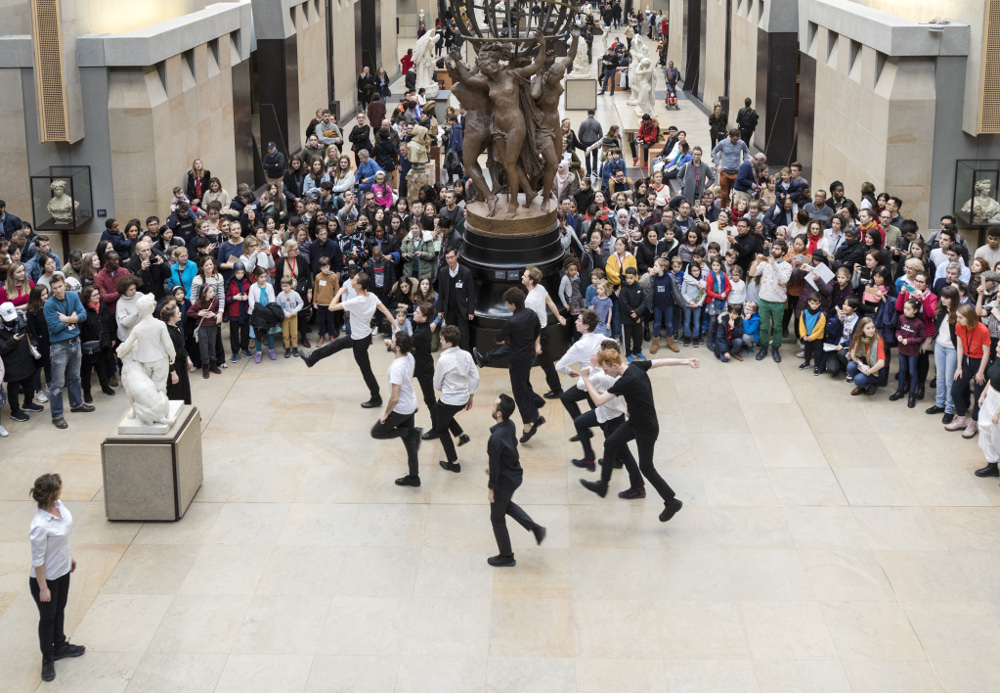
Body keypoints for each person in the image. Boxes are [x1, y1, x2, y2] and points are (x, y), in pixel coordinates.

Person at [578, 347, 697, 522]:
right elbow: (660, 362)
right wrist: (685, 361)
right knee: (610, 443)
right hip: (635, 421)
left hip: (646, 429)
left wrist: (586, 379)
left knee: (646, 468)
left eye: (605, 369)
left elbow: (598, 400)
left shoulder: (625, 380)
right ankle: (603, 486)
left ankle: (671, 502)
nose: (605, 373)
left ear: (613, 365)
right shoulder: (635, 366)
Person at [302, 272, 398, 407]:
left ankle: (376, 398)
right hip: (361, 336)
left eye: (355, 280)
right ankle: (311, 360)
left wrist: (340, 292)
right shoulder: (372, 296)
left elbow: (331, 307)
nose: (352, 280)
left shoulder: (356, 301)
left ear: (359, 286)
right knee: (333, 346)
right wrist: (396, 327)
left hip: (359, 341)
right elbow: (386, 312)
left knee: (366, 370)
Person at [28, 473, 85, 682]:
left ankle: (60, 645)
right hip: (46, 579)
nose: (62, 489)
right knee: (48, 617)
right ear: (53, 492)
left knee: (60, 608)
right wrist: (43, 588)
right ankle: (48, 657)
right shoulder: (39, 525)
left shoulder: (59, 506)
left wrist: (68, 557)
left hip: (62, 571)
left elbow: (62, 538)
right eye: (59, 487)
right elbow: (38, 561)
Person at [473, 287, 546, 443]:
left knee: (519, 393)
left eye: (507, 303)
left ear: (512, 304)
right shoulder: (531, 314)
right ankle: (536, 415)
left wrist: (508, 339)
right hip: (529, 357)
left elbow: (498, 337)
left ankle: (528, 427)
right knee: (524, 386)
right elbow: (536, 331)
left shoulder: (512, 321)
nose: (507, 306)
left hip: (518, 360)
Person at [485, 393, 547, 567]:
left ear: (498, 413)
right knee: (505, 506)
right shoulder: (510, 424)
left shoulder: (495, 438)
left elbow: (495, 470)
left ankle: (506, 556)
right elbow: (510, 446)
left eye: (493, 405)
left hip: (504, 481)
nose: (491, 406)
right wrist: (491, 460)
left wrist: (491, 490)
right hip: (514, 475)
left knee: (496, 518)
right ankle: (536, 529)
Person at [43, 275, 94, 429]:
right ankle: (57, 415)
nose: (58, 290)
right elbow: (55, 327)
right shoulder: (49, 305)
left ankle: (76, 404)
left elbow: (83, 316)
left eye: (60, 286)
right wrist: (71, 319)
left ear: (64, 285)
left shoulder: (72, 296)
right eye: (55, 288)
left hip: (75, 342)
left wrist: (65, 319)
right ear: (51, 288)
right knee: (57, 383)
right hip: (59, 346)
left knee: (74, 377)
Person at [433, 324, 479, 472]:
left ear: (449, 343)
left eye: (442, 339)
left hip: (448, 400)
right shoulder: (466, 355)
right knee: (444, 416)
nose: (440, 341)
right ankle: (461, 435)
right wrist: (470, 395)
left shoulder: (442, 360)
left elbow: (437, 383)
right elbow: (475, 377)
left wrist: (444, 389)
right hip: (462, 398)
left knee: (441, 428)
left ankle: (453, 463)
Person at [947, 304, 990, 437]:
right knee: (955, 391)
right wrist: (959, 367)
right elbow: (959, 347)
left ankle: (974, 423)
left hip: (980, 363)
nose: (958, 320)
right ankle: (961, 419)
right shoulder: (959, 326)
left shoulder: (983, 330)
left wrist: (981, 372)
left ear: (969, 317)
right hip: (966, 360)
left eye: (960, 317)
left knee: (978, 396)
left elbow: (986, 353)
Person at [753, 240, 792, 361]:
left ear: (783, 252)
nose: (774, 250)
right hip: (764, 300)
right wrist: (757, 262)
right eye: (773, 248)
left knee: (777, 328)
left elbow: (783, 280)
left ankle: (775, 348)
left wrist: (774, 264)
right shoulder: (765, 264)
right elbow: (752, 273)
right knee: (764, 326)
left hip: (778, 302)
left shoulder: (787, 266)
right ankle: (763, 348)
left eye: (777, 249)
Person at [437, 248, 476, 351]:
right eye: (447, 258)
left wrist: (471, 311)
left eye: (451, 257)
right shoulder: (443, 271)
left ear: (457, 256)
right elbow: (441, 292)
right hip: (449, 310)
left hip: (462, 309)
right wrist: (440, 309)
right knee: (450, 335)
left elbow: (471, 294)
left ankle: (465, 357)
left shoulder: (466, 272)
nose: (449, 260)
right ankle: (452, 356)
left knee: (463, 334)